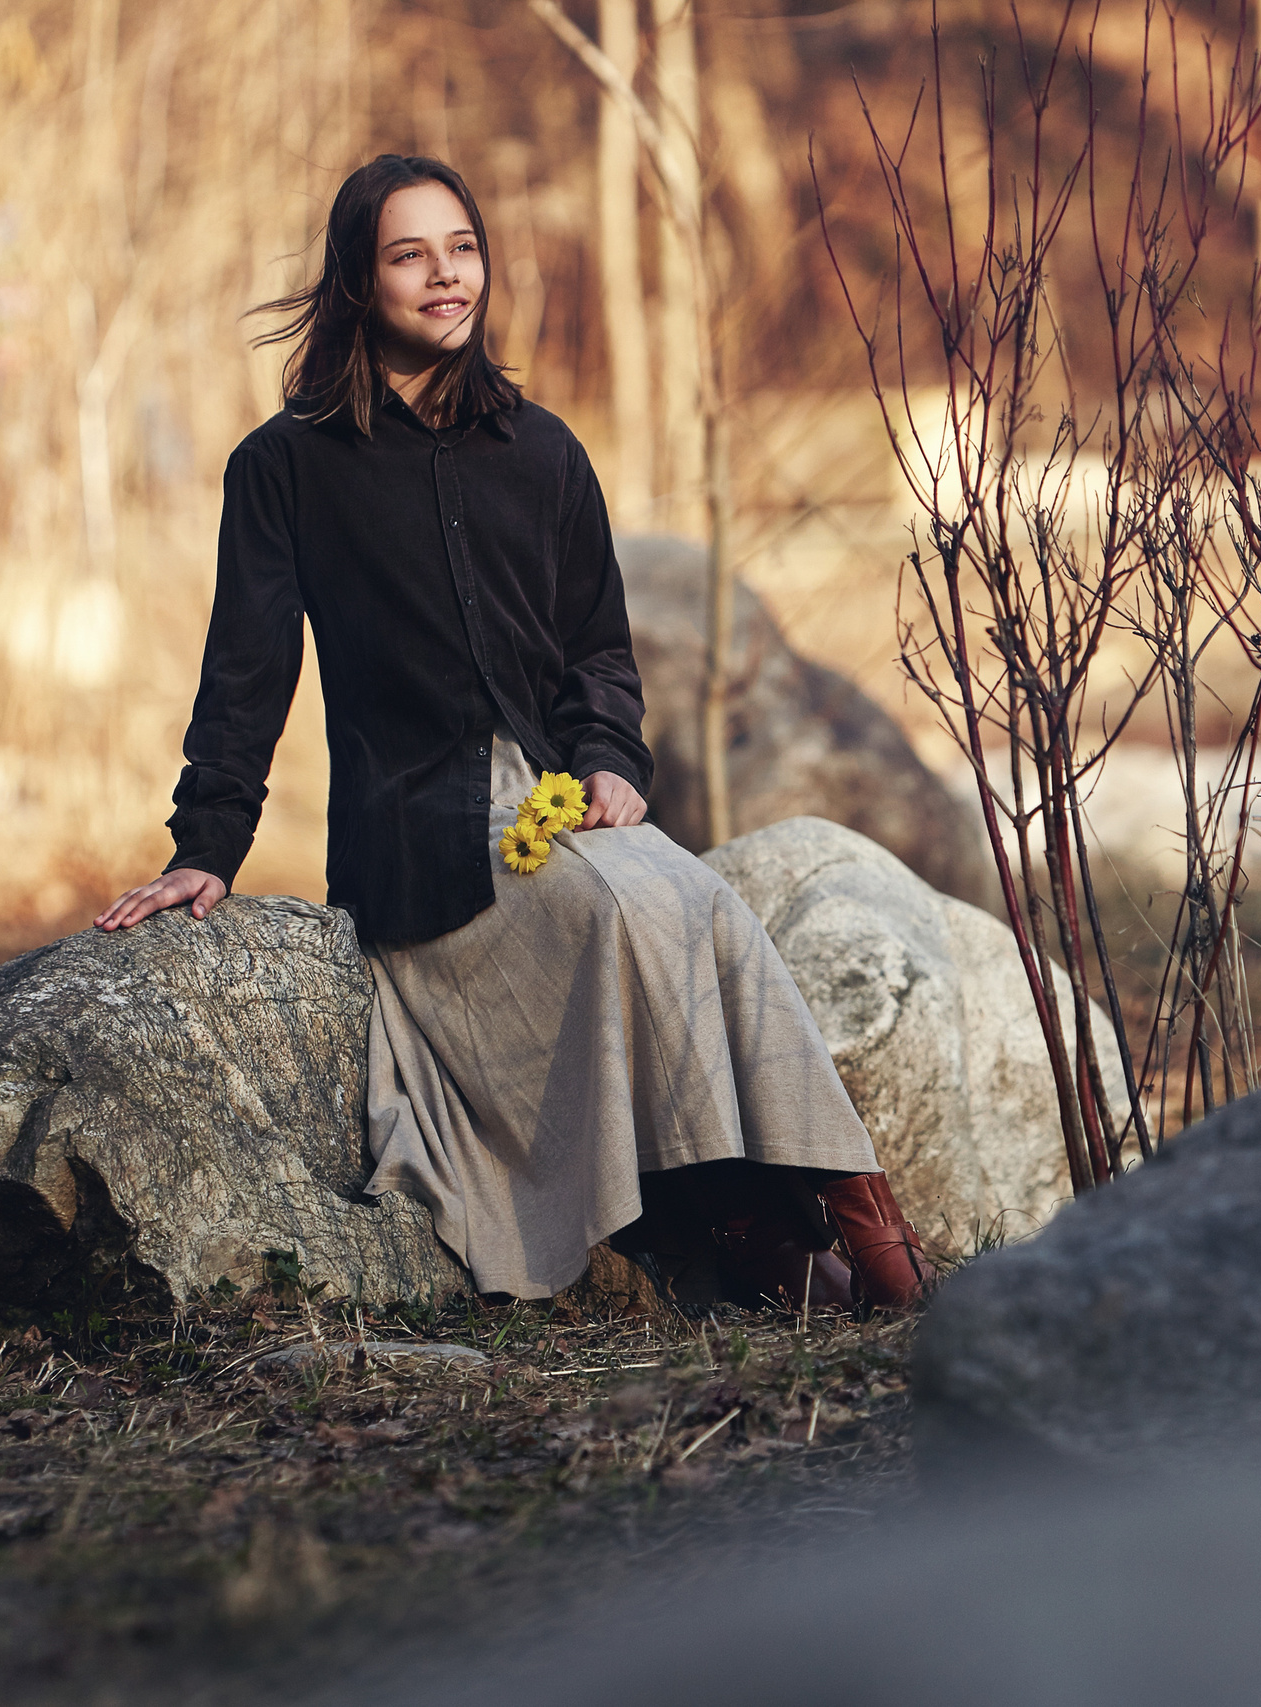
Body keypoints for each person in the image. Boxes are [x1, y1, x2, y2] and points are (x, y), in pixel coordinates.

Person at [97, 154, 930, 1310]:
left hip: (559, 803)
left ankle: (858, 1219)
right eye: (409, 255)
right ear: (355, 281)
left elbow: (596, 649)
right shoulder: (284, 469)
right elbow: (247, 675)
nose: (447, 277)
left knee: (704, 905)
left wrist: (605, 761)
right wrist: (207, 845)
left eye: (462, 248)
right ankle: (749, 1233)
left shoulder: (542, 452)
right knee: (619, 909)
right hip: (420, 836)